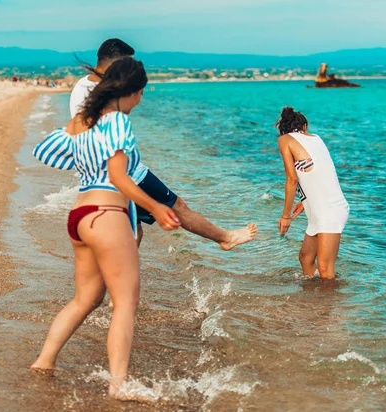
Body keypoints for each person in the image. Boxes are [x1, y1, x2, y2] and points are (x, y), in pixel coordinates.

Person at [30, 58, 180, 397]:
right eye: (140, 93)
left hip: (79, 215)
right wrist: (156, 206)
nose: (140, 100)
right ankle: (118, 385)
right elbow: (118, 178)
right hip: (107, 214)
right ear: (130, 92)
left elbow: (48, 151)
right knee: (125, 303)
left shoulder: (83, 120)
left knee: (86, 299)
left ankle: (44, 361)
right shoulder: (118, 123)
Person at [71, 38, 257, 250]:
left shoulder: (83, 85)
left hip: (105, 175)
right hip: (125, 175)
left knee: (135, 230)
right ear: (116, 64)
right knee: (176, 206)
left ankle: (116, 276)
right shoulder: (102, 92)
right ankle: (225, 238)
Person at [275, 106, 349, 280]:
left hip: (329, 209)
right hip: (322, 208)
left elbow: (291, 179)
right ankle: (312, 301)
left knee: (324, 267)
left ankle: (328, 305)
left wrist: (286, 216)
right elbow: (318, 172)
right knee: (306, 258)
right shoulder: (316, 138)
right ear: (305, 127)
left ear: (282, 130)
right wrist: (304, 200)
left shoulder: (284, 140)